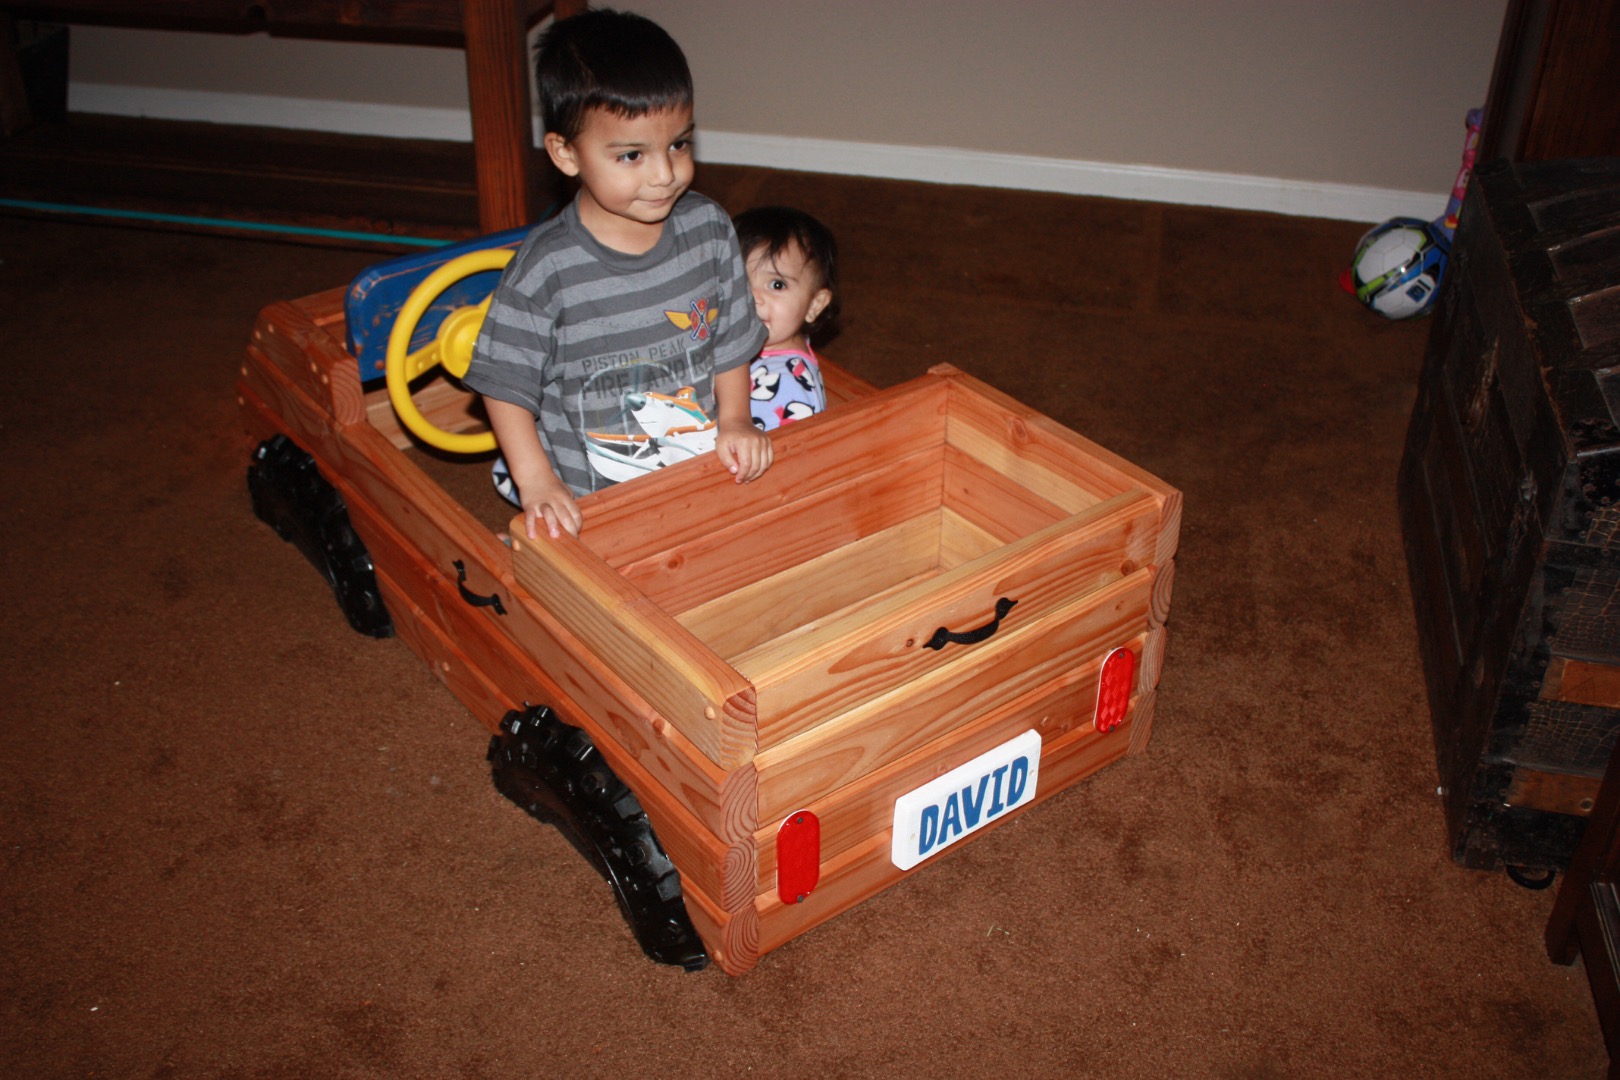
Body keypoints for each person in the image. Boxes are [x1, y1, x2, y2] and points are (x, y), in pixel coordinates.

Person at [462, 8, 770, 541]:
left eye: (678, 144)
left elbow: (730, 342)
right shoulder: (545, 270)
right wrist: (536, 481)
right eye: (632, 155)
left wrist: (737, 419)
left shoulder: (709, 229)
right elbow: (505, 385)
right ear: (566, 154)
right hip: (590, 497)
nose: (665, 174)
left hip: (695, 468)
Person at [734, 206, 840, 430]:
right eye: (739, 281)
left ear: (814, 305)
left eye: (776, 285)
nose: (752, 297)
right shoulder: (773, 340)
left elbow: (786, 450)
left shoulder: (786, 387)